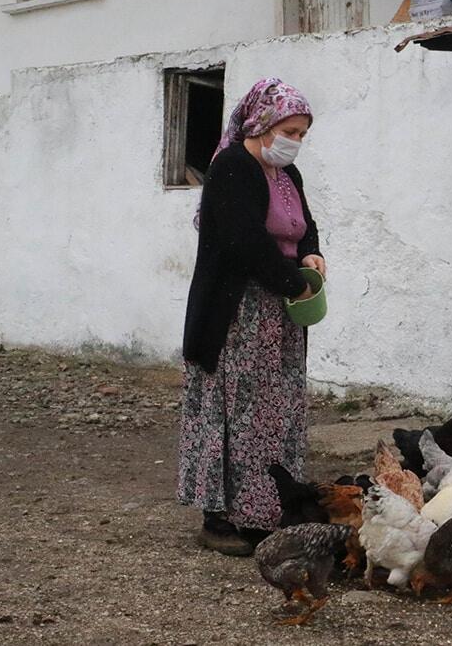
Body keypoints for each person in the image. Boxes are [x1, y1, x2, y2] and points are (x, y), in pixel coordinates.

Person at [176, 78, 326, 556]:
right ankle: (219, 519)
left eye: (303, 133)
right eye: (290, 130)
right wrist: (291, 280)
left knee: (274, 413)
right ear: (263, 123)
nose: (295, 142)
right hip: (237, 313)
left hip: (279, 314)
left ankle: (268, 511)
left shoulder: (287, 175)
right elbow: (243, 242)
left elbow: (305, 225)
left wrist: (311, 255)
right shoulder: (233, 167)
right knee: (234, 411)